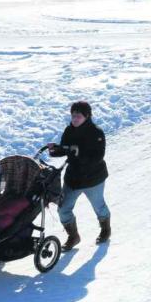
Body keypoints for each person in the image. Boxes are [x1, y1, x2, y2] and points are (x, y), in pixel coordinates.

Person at [48, 101, 111, 251]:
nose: (75, 119)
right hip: (73, 179)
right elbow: (66, 149)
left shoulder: (96, 133)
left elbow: (98, 156)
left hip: (93, 179)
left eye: (78, 116)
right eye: (73, 115)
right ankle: (73, 236)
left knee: (99, 206)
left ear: (87, 116)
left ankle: (105, 230)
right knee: (63, 209)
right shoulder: (69, 130)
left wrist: (79, 153)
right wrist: (55, 150)